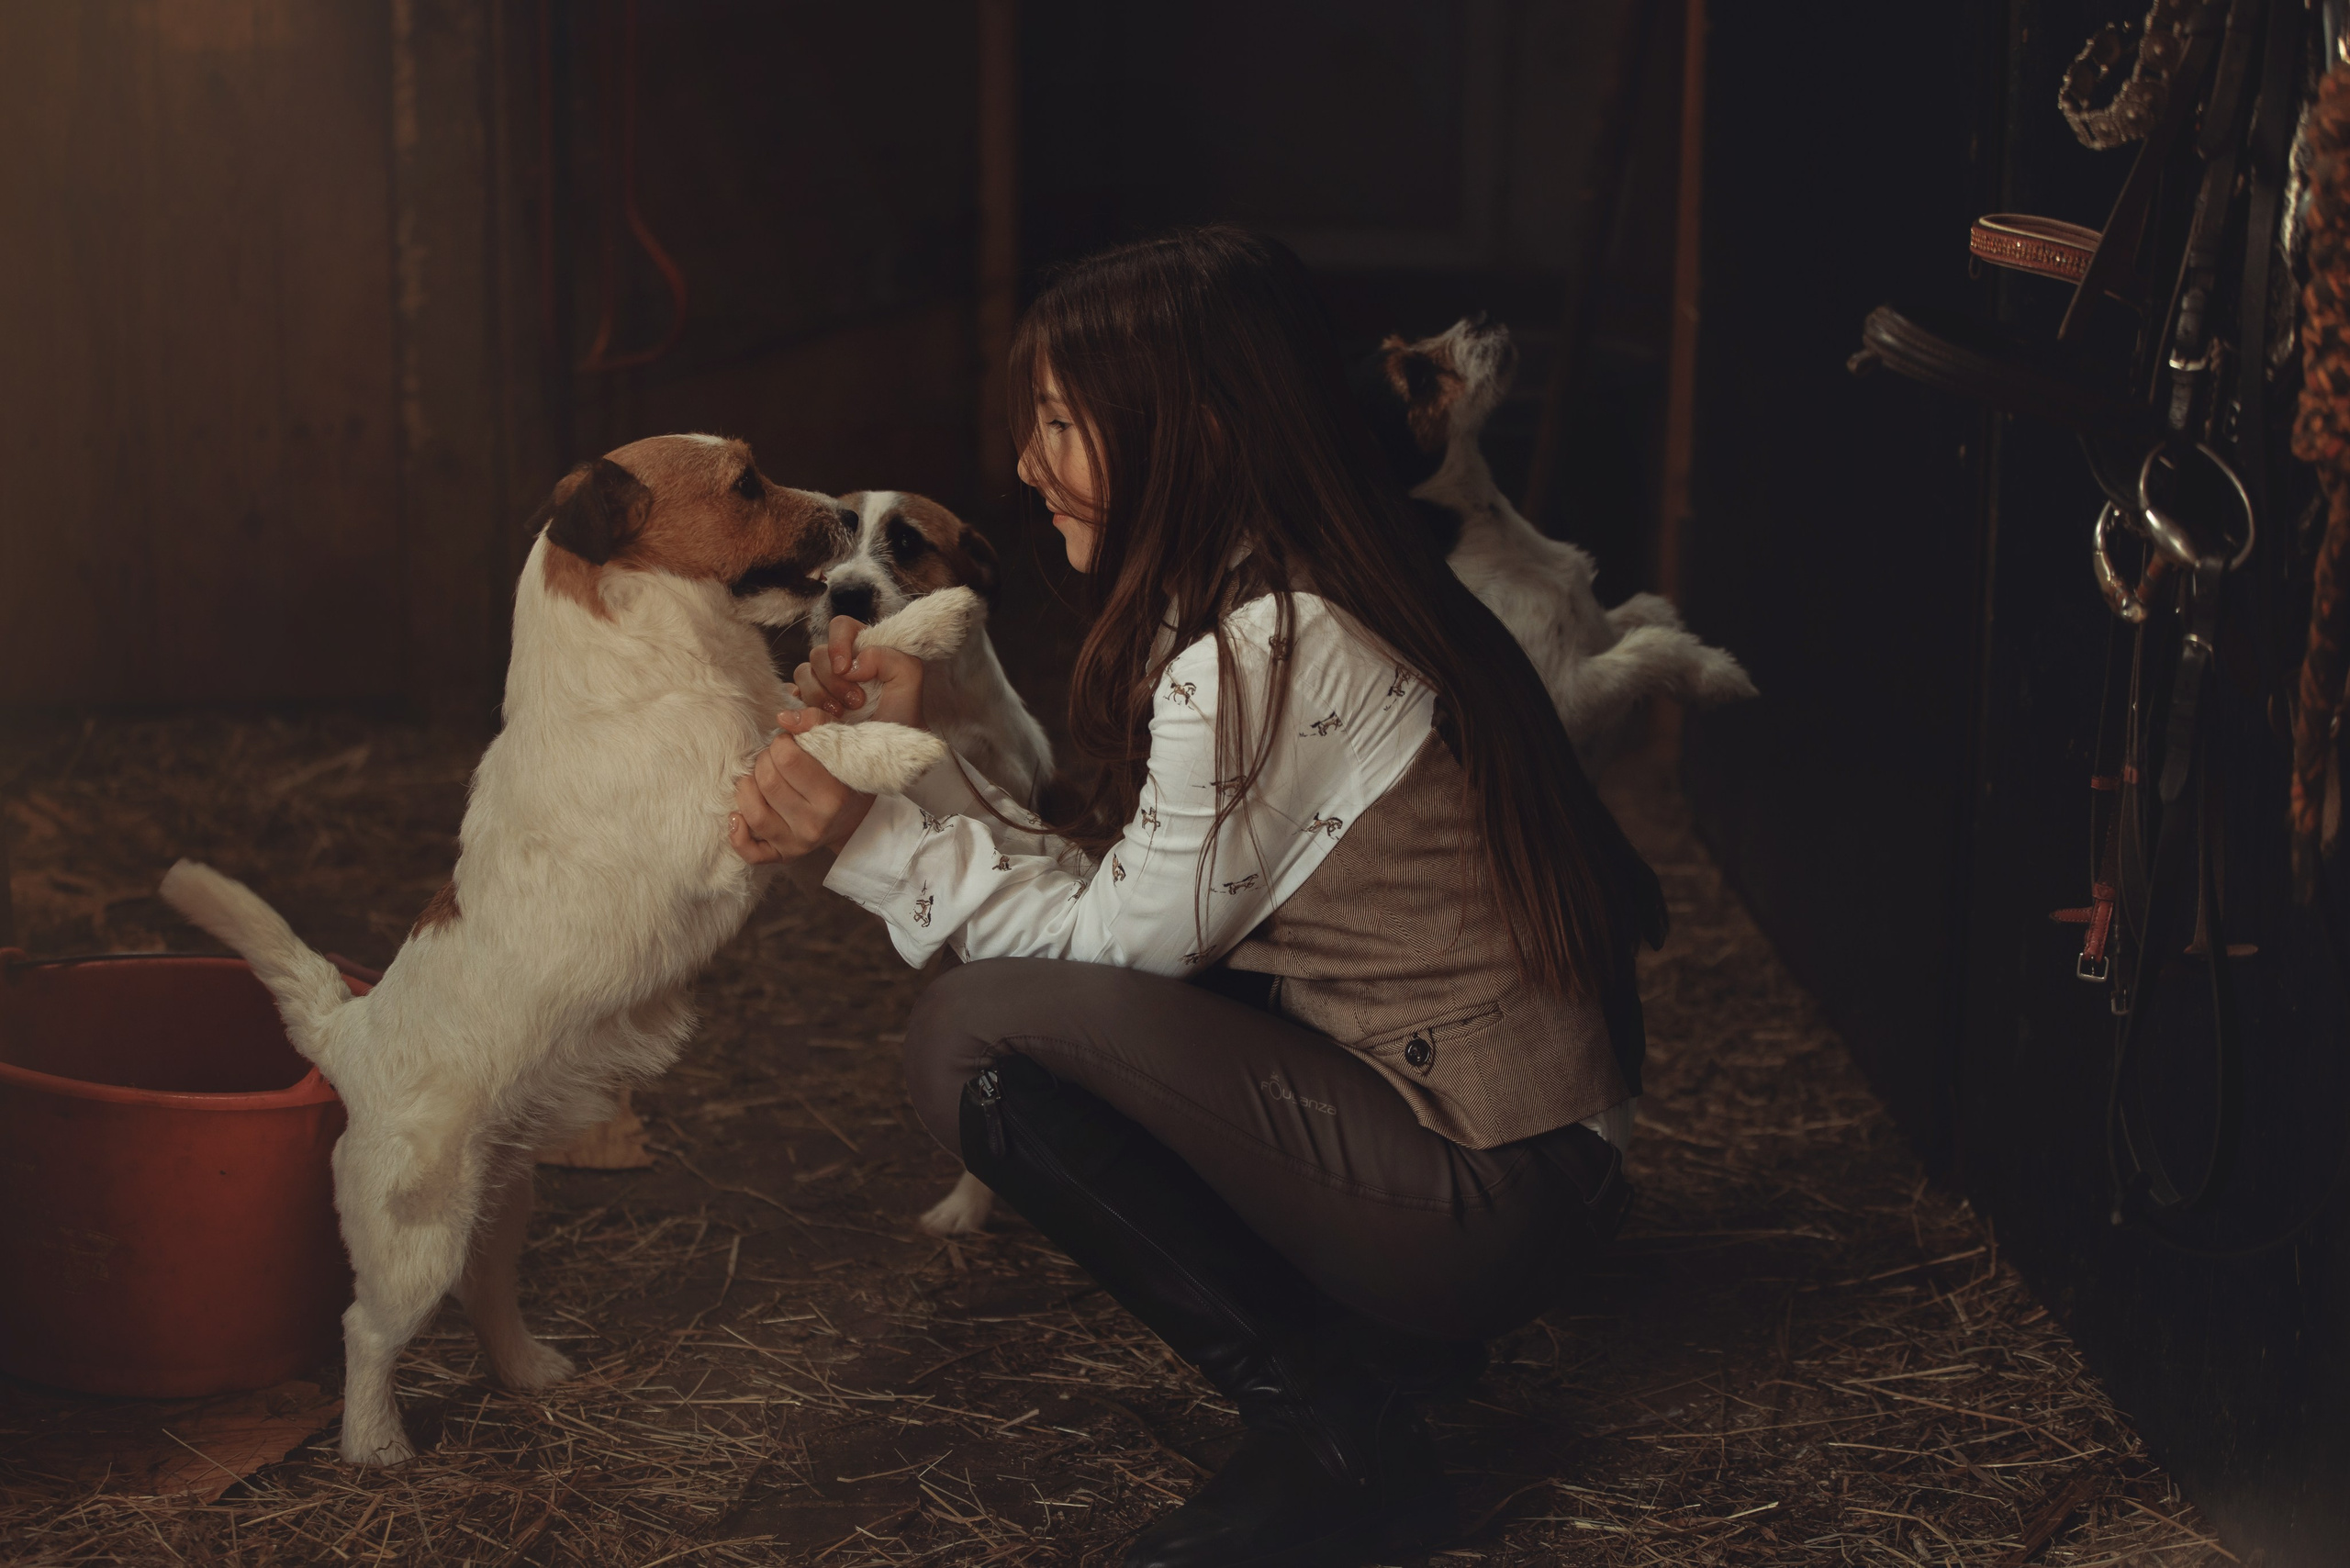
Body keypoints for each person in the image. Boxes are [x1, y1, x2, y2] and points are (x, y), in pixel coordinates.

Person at [728, 225, 1666, 1568]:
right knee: (1014, 1008)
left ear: (1192, 429)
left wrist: (866, 838)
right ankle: (1371, 1372)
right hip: (1494, 1149)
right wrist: (923, 767)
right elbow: (1129, 902)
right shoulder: (1288, 591)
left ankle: (1341, 1434)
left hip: (1489, 1194)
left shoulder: (1279, 642)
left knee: (971, 1039)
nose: (1024, 463)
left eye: (1060, 421)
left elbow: (1108, 957)